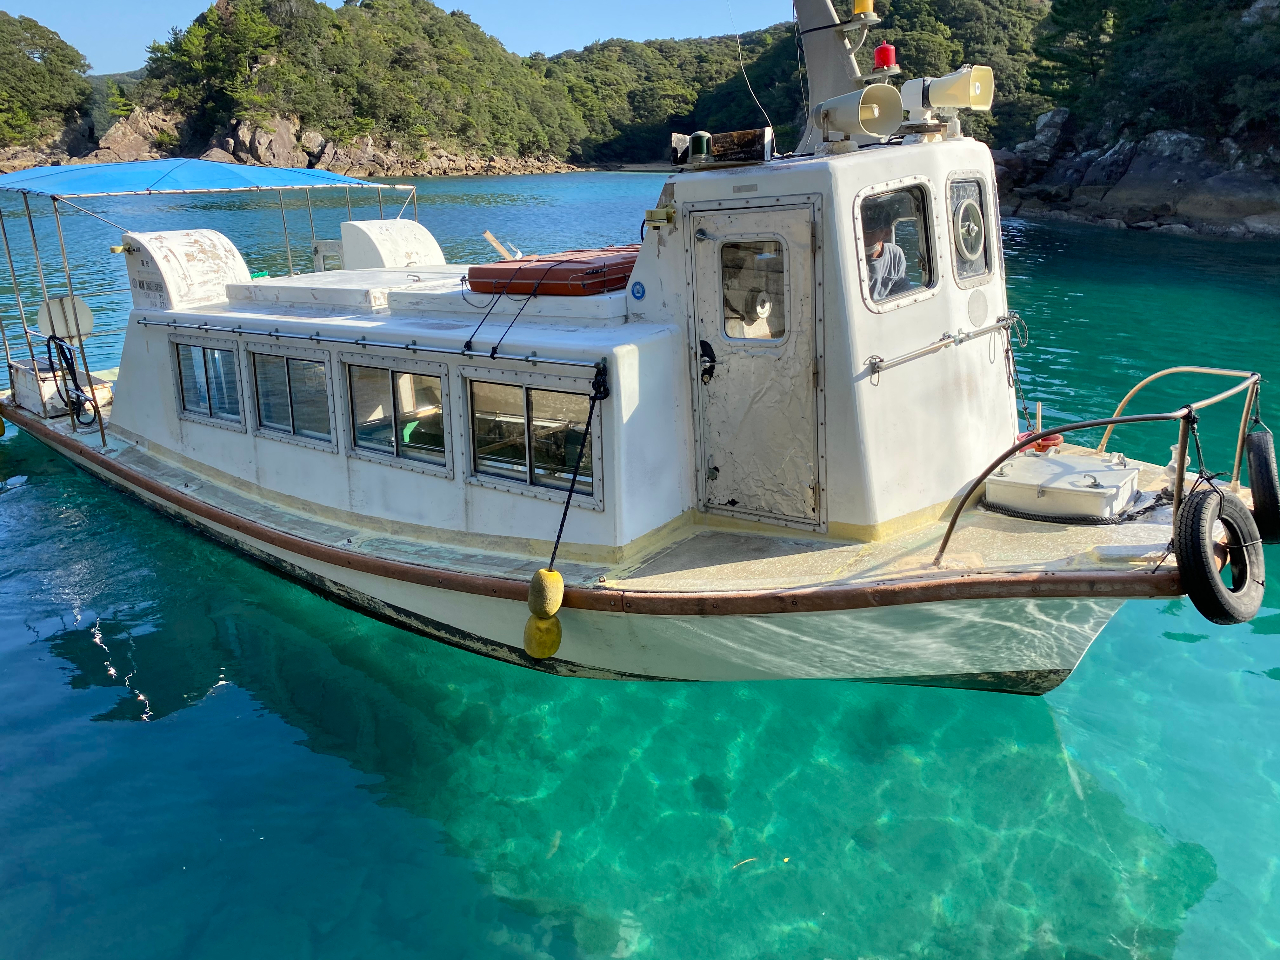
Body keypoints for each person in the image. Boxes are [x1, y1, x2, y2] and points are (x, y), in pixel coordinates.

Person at [862, 202, 910, 301]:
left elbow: (903, 291)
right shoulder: (850, 257)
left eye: (869, 232)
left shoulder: (895, 254)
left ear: (886, 233)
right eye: (860, 230)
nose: (863, 237)